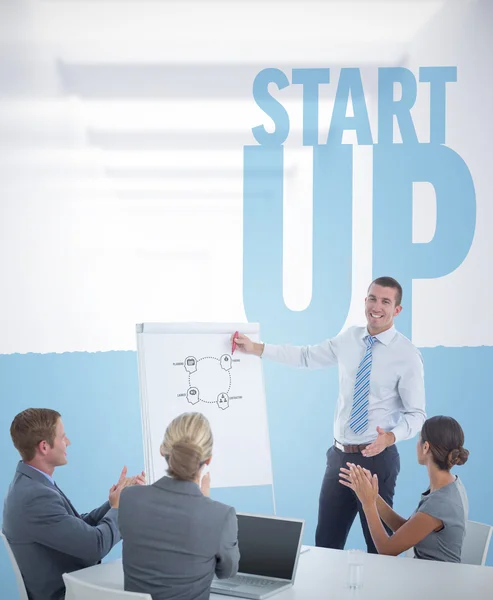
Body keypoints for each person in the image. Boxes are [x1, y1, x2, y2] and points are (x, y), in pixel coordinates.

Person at [233, 276, 426, 553]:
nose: (377, 306)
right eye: (372, 298)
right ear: (365, 301)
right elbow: (306, 356)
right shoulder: (349, 338)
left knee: (380, 549)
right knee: (325, 545)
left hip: (376, 460)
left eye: (386, 301)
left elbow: (417, 414)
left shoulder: (406, 354)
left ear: (397, 310)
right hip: (340, 458)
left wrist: (391, 438)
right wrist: (257, 349)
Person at [2, 407, 145, 600]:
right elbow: (95, 545)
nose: (68, 442)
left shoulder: (32, 484)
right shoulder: (34, 497)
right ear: (44, 447)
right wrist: (119, 508)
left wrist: (119, 499)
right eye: (63, 437)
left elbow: (77, 525)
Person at [119, 412, 240, 600]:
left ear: (162, 450)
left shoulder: (128, 498)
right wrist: (204, 503)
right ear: (208, 460)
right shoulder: (220, 516)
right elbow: (227, 572)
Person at [339, 415, 469, 562]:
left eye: (419, 439)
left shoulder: (440, 503)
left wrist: (367, 504)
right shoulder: (449, 485)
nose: (417, 444)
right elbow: (409, 529)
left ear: (426, 447)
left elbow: (386, 550)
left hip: (435, 581)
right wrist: (373, 496)